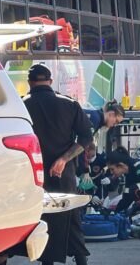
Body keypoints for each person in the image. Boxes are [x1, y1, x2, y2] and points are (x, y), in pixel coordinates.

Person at [23, 63, 93, 265]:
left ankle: (47, 262)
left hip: (34, 175)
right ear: (50, 81)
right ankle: (81, 261)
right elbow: (86, 138)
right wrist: (63, 160)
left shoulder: (23, 105)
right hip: (65, 174)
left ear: (30, 83)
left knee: (43, 219)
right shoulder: (69, 104)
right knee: (71, 218)